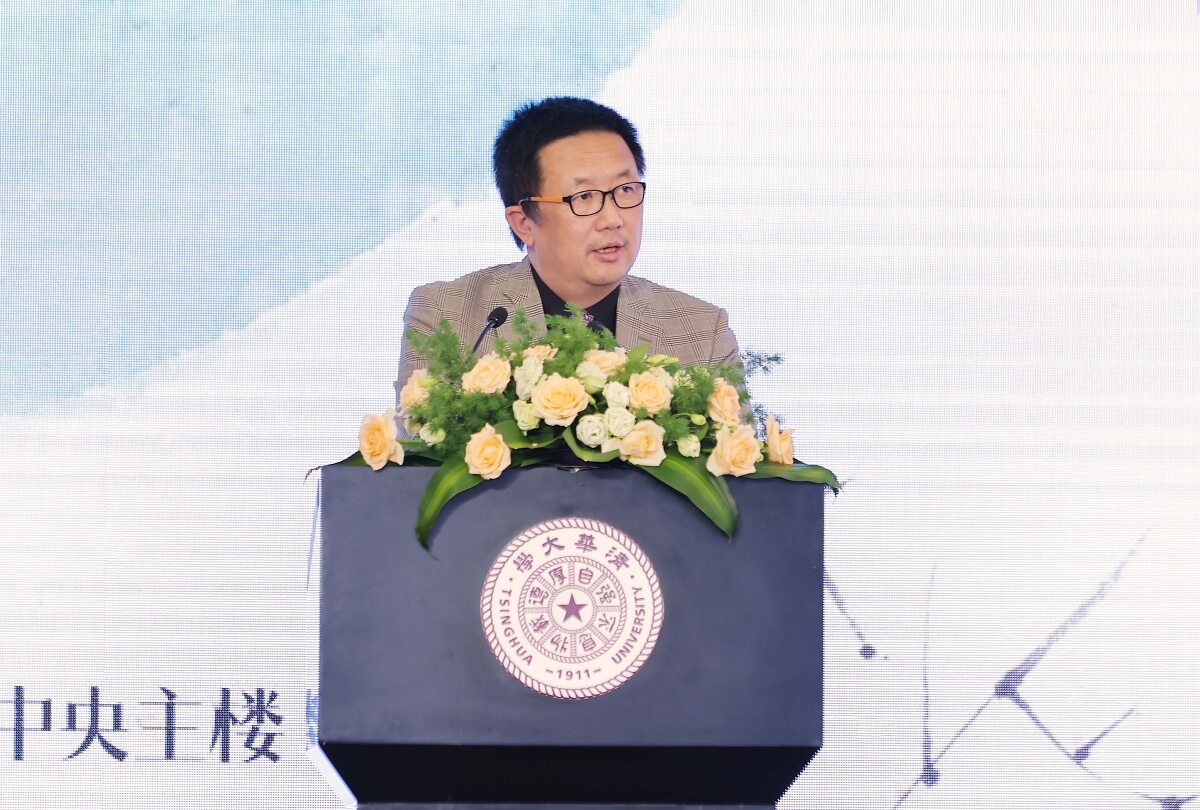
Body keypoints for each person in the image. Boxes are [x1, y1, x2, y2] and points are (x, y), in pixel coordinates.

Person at [396, 96, 741, 403]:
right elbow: (422, 447)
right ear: (523, 223)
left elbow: (734, 455)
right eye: (584, 197)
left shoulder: (702, 332)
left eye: (625, 189)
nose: (613, 219)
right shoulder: (447, 317)